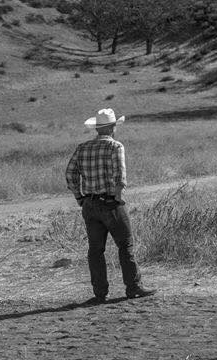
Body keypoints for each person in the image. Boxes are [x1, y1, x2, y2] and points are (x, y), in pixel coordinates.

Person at [66, 108, 156, 304]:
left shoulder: (82, 148)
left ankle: (100, 293)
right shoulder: (116, 147)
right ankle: (133, 287)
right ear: (113, 127)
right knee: (125, 245)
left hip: (89, 204)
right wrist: (117, 196)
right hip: (110, 203)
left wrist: (79, 197)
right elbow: (120, 177)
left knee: (95, 250)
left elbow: (70, 174)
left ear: (97, 128)